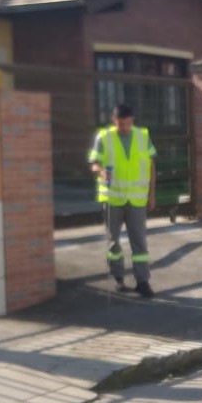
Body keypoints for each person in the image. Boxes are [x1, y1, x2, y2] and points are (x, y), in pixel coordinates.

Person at [88, 104, 157, 298]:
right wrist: (100, 171)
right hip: (112, 199)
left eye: (127, 124)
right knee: (113, 243)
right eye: (120, 124)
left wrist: (152, 194)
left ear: (133, 120)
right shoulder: (104, 137)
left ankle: (143, 282)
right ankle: (118, 278)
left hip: (136, 200)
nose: (124, 128)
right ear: (113, 120)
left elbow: (151, 166)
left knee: (140, 243)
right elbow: (94, 162)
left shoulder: (143, 136)